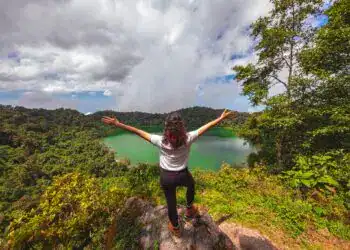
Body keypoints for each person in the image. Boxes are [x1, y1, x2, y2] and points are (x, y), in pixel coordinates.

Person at [101, 109, 233, 237]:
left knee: (171, 202)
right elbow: (207, 127)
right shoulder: (189, 138)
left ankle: (176, 228)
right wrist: (221, 118)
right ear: (182, 127)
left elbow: (137, 131)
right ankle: (189, 209)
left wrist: (118, 124)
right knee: (191, 185)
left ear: (167, 127)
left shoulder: (160, 141)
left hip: (166, 177)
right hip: (182, 175)